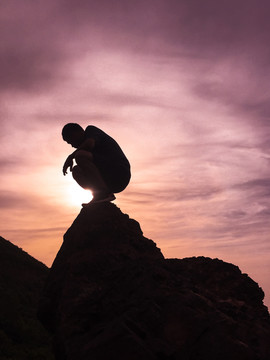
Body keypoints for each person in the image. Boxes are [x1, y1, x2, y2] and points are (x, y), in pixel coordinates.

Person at [62, 123, 131, 205]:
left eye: (71, 140)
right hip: (108, 177)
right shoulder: (85, 148)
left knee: (80, 155)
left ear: (78, 132)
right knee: (76, 171)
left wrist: (71, 156)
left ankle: (104, 194)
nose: (72, 145)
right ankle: (99, 195)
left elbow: (89, 144)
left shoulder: (91, 130)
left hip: (119, 172)